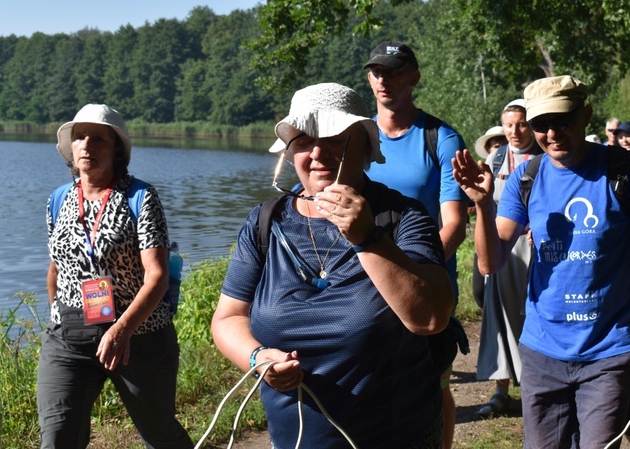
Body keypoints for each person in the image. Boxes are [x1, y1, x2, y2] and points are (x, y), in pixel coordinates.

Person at [211, 83, 454, 448]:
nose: (317, 152)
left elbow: (430, 318)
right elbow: (228, 318)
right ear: (289, 153)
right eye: (303, 140)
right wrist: (259, 358)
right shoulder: (265, 222)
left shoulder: (402, 217)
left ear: (366, 148)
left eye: (336, 138)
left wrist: (367, 237)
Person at [452, 75, 630, 448]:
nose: (551, 133)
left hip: (611, 350)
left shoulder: (625, 170)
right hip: (543, 351)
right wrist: (481, 205)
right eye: (540, 124)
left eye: (562, 120)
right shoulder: (526, 178)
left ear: (585, 114)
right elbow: (491, 263)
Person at [37, 104, 193, 449]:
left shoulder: (140, 196)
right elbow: (56, 268)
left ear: (116, 149)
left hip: (140, 334)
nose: (87, 145)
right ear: (71, 147)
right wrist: (58, 317)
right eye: (80, 137)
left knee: (160, 434)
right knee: (57, 436)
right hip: (71, 334)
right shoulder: (58, 199)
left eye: (98, 139)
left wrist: (122, 329)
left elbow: (157, 276)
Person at [361, 41, 468, 449]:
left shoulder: (440, 138)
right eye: (376, 71)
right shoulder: (358, 135)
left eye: (393, 70)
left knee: (432, 386)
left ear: (414, 77)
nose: (383, 79)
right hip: (364, 283)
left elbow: (454, 224)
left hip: (424, 279)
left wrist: (409, 275)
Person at [475, 99, 542, 417]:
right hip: (503, 250)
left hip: (540, 250)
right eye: (509, 125)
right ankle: (501, 388)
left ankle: (537, 385)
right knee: (498, 315)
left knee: (536, 315)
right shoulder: (496, 157)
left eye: (522, 124)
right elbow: (485, 203)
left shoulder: (546, 157)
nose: (515, 131)